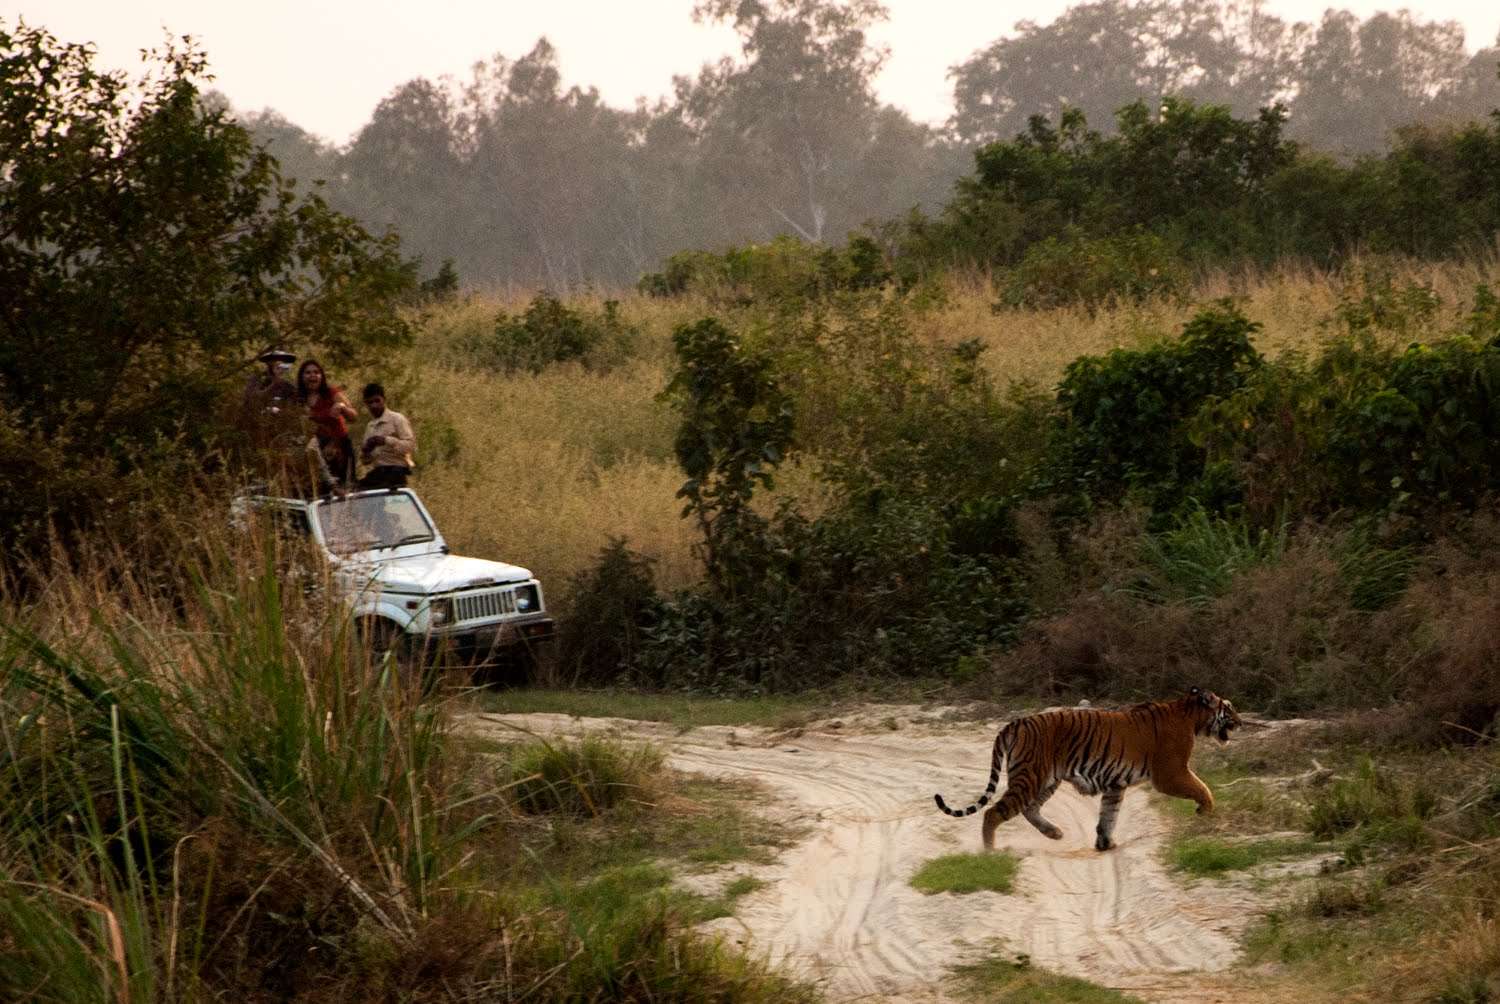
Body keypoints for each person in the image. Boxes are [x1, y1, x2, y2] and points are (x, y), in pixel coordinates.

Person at [296, 359, 358, 487]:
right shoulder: (299, 399)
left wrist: (341, 407)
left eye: (316, 372)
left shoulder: (331, 393)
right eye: (308, 373)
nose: (312, 375)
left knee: (345, 485)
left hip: (340, 446)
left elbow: (353, 416)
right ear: (302, 377)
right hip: (316, 450)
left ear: (321, 376)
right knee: (323, 488)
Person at [357, 383, 416, 489]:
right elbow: (366, 461)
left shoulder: (397, 419)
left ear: (384, 399)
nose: (374, 405)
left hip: (396, 471)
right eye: (370, 402)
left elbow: (410, 446)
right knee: (356, 490)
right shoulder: (370, 426)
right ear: (366, 404)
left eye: (377, 401)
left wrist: (386, 440)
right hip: (379, 472)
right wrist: (366, 451)